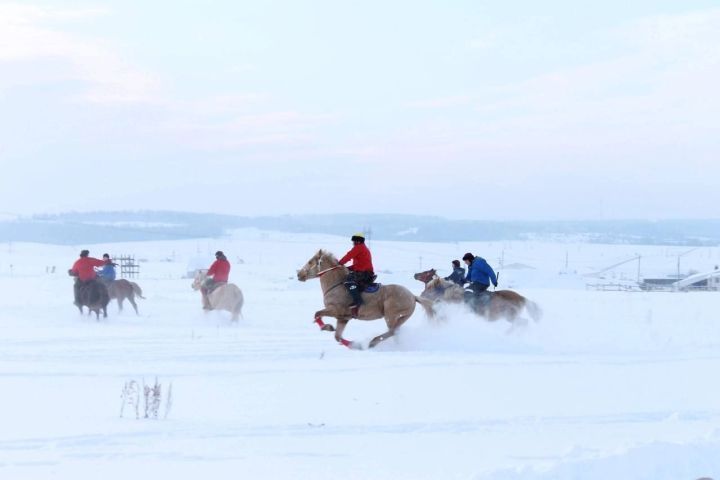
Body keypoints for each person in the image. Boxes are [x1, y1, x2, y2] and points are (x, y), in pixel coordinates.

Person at [339, 233, 375, 317]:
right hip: (364, 271)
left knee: (348, 281)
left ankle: (358, 300)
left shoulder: (359, 247)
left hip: (364, 273)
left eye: (354, 241)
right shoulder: (363, 248)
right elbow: (358, 265)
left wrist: (339, 263)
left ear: (358, 241)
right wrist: (347, 268)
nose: (353, 243)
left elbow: (348, 256)